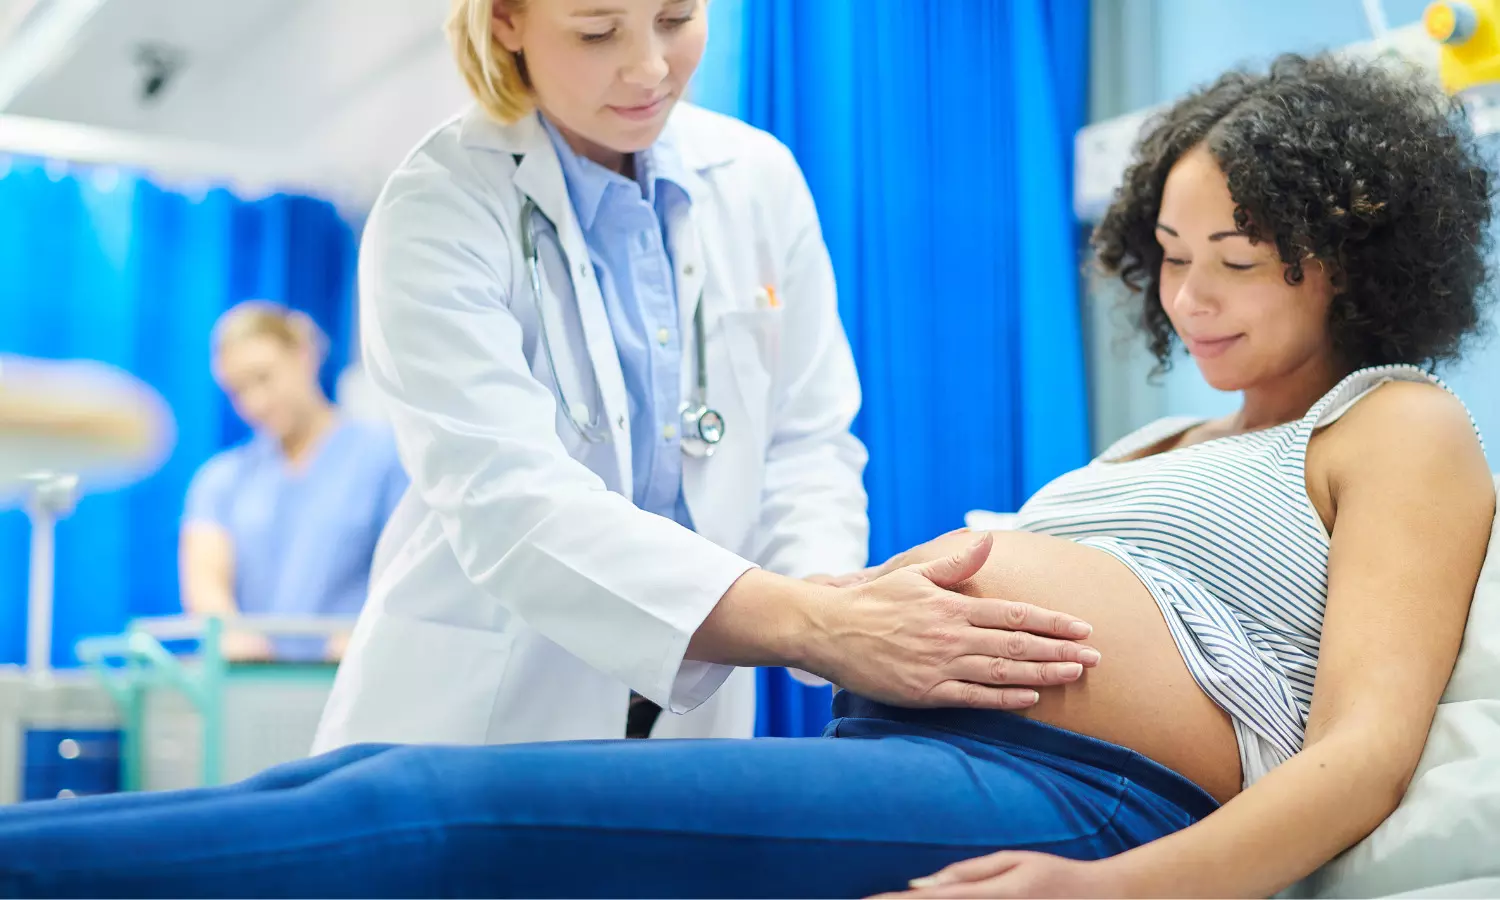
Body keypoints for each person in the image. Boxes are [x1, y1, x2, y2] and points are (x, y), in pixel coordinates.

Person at [0, 50, 1491, 900]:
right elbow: (511, 493)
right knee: (366, 790)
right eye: (1164, 256)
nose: (1188, 298)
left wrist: (1110, 895)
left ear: (1351, 254)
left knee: (445, 817)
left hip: (1094, 800)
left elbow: (1362, 754)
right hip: (922, 753)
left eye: (1236, 261)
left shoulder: (1396, 423)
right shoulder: (1155, 445)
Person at [312, 0, 1098, 749]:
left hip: (687, 730)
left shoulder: (756, 177)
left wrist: (831, 597)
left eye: (676, 18)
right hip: (478, 717)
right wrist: (812, 624)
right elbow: (510, 502)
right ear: (506, 19)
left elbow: (806, 442)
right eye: (596, 31)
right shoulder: (439, 206)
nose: (650, 68)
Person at [180, 300, 408, 663]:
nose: (255, 402)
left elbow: (408, 572)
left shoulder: (384, 457)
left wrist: (367, 637)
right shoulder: (222, 480)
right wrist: (232, 637)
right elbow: (207, 583)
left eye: (264, 377)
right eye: (238, 391)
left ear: (304, 354)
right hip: (258, 682)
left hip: (359, 674)